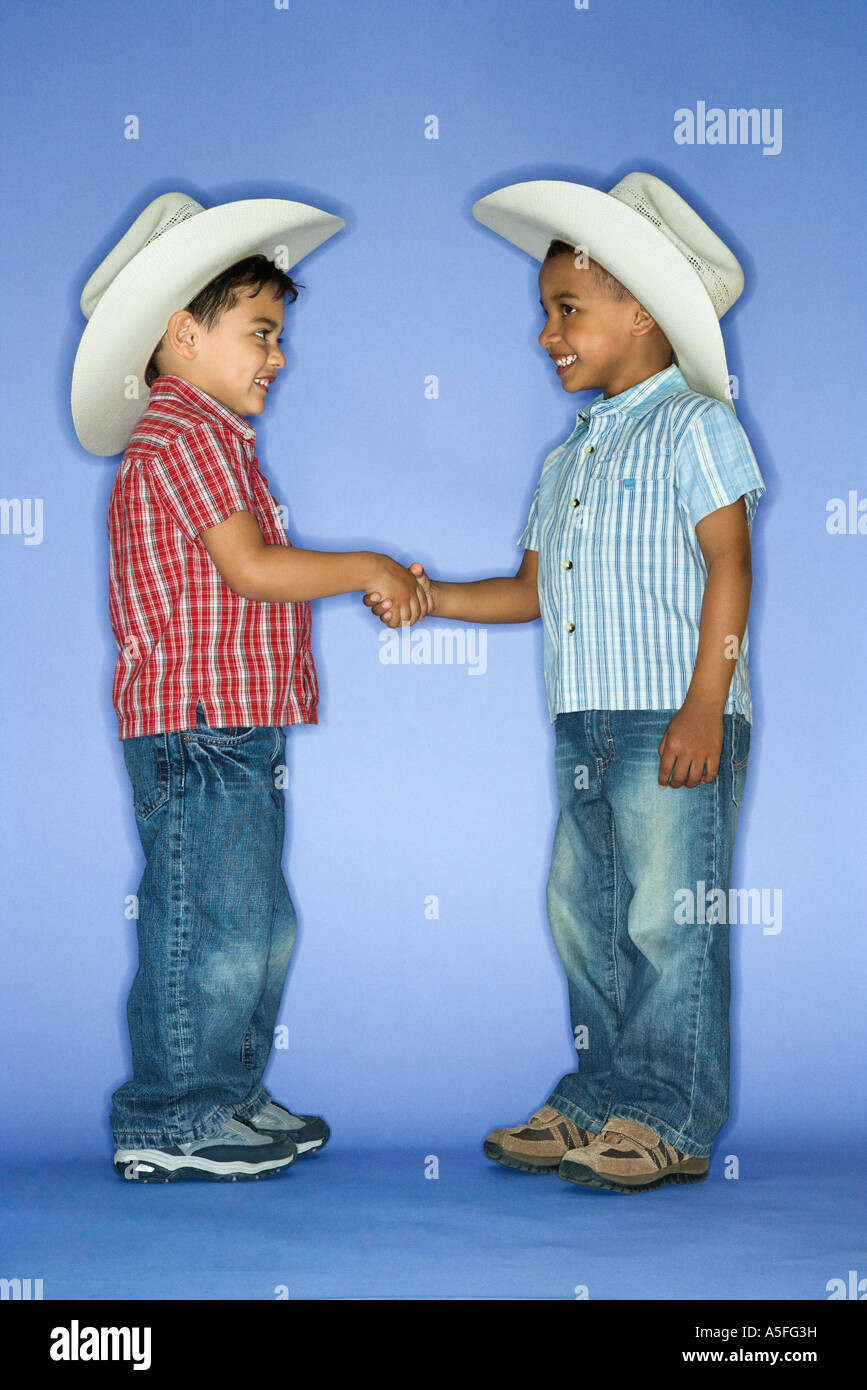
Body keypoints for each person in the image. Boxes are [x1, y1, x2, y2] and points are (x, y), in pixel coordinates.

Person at [365, 171, 765, 1193]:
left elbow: (730, 561)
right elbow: (531, 591)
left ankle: (669, 1113)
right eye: (545, 313)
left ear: (644, 309)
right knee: (587, 913)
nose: (547, 333)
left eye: (566, 310)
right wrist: (433, 597)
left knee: (667, 917)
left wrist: (705, 701)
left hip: (673, 716)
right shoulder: (567, 459)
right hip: (583, 722)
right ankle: (604, 1092)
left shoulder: (697, 424)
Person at [72, 190, 428, 1182]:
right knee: (207, 921)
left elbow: (249, 579)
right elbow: (254, 572)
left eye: (280, 334)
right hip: (200, 733)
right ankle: (174, 1112)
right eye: (260, 332)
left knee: (252, 922)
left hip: (232, 728)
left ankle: (224, 1093)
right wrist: (367, 565)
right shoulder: (187, 434)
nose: (278, 354)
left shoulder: (212, 437)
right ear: (182, 335)